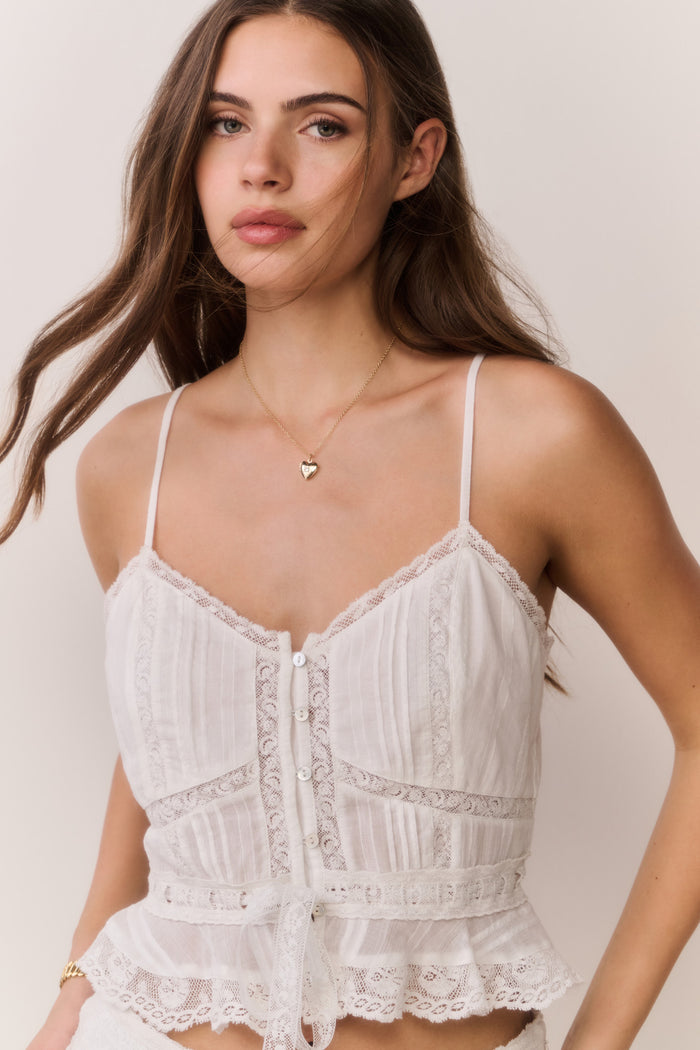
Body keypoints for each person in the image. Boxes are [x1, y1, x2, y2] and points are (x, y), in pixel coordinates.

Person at [2, 1, 699, 1049]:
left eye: (322, 125)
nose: (262, 167)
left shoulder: (528, 434)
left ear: (413, 158)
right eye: (224, 124)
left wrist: (596, 1043)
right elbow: (178, 746)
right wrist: (68, 993)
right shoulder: (126, 465)